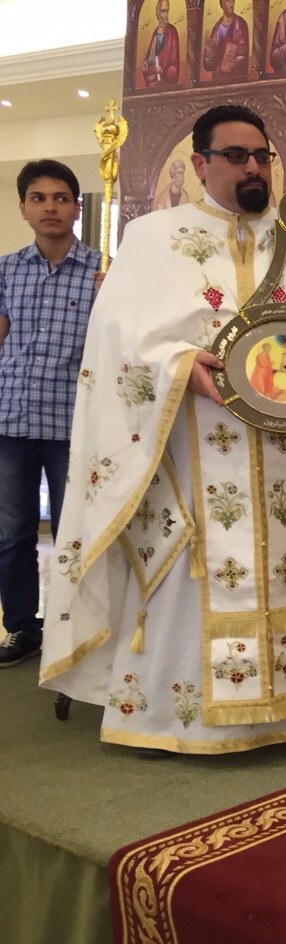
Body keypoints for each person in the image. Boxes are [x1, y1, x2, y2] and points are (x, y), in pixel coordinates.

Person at [38, 105, 286, 757]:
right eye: (236, 156)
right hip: (190, 445)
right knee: (188, 576)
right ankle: (168, 718)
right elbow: (116, 345)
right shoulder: (154, 238)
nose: (254, 169)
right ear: (200, 164)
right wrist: (178, 365)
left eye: (262, 157)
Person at [0, 160, 101, 668]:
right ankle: (23, 628)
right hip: (11, 419)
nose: (50, 207)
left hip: (73, 425)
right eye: (38, 198)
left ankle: (71, 628)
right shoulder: (6, 269)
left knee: (73, 534)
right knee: (12, 534)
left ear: (76, 208)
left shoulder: (102, 272)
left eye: (61, 198)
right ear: (23, 208)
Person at [204, 0, 249, 80]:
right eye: (228, 1)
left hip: (235, 77)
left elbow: (243, 52)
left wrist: (231, 64)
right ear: (222, 4)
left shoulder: (240, 24)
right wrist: (209, 51)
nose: (231, 4)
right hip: (218, 77)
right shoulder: (217, 28)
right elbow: (209, 65)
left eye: (233, 1)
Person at [141, 0, 181, 87]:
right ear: (158, 13)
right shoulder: (155, 33)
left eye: (167, 11)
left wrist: (163, 71)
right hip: (152, 79)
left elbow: (175, 62)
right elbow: (152, 54)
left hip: (165, 80)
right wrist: (147, 62)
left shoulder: (172, 32)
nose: (165, 15)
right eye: (163, 11)